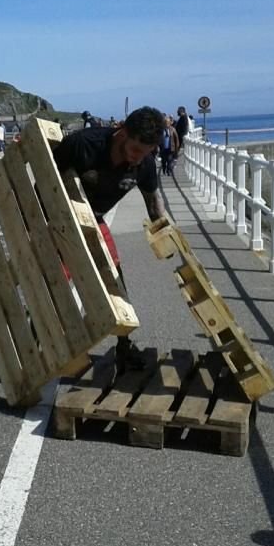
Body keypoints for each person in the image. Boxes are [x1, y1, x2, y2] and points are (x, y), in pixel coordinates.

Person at [53, 106, 166, 367]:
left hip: (96, 218)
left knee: (115, 281)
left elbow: (152, 201)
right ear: (123, 133)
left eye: (146, 153)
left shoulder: (144, 164)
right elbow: (44, 177)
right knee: (54, 285)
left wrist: (162, 233)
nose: (138, 159)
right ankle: (37, 346)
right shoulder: (84, 144)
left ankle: (124, 348)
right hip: (59, 218)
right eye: (136, 150)